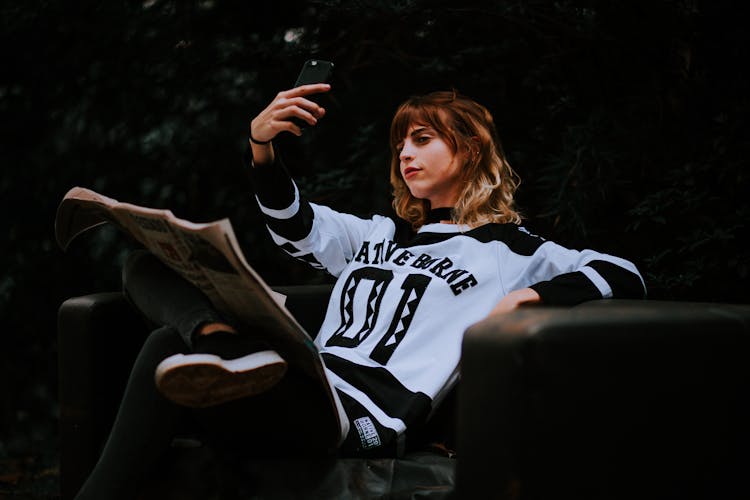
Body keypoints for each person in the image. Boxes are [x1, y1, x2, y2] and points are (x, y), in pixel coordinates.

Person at [74, 84, 646, 498]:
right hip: (297, 383)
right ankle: (213, 336)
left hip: (353, 418)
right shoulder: (379, 234)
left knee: (161, 351)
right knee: (139, 264)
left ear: (468, 150)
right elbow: (293, 223)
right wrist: (261, 148)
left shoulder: (511, 253)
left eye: (422, 140)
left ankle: (210, 347)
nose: (404, 154)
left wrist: (533, 297)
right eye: (400, 143)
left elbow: (622, 271)